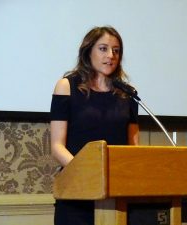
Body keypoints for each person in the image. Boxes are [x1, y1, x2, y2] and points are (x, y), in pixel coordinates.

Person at [50, 26, 139, 225]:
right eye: (103, 48)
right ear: (88, 51)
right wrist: (89, 174)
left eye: (116, 50)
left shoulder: (127, 93)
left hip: (116, 193)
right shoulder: (66, 86)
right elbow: (57, 146)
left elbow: (133, 149)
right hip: (77, 192)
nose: (111, 55)